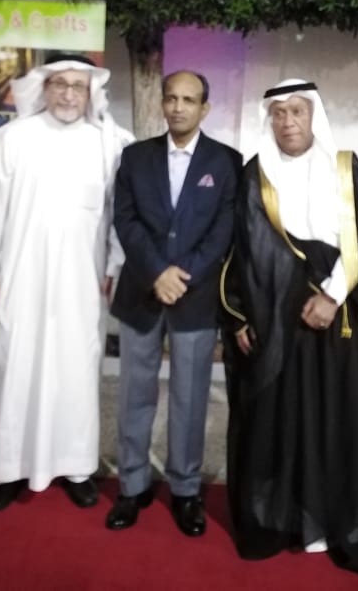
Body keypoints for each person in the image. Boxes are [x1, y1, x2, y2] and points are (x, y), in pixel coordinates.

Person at [222, 79, 358, 575]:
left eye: (298, 112)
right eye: (279, 113)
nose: (288, 122)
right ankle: (287, 518)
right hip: (275, 318)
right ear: (269, 119)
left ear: (314, 117)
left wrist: (331, 296)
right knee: (283, 416)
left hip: (336, 317)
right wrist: (240, 313)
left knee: (335, 416)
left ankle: (335, 519)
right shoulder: (254, 174)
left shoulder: (344, 168)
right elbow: (239, 250)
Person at [0, 53, 132, 512]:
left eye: (77, 86)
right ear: (44, 88)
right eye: (60, 84)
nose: (68, 94)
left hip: (82, 283)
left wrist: (113, 266)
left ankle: (76, 468)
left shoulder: (109, 143)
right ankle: (8, 470)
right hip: (18, 279)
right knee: (14, 368)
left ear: (90, 92)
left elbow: (119, 213)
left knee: (76, 371)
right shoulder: (16, 138)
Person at [106, 70, 241, 537]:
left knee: (191, 397)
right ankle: (132, 484)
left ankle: (185, 490)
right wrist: (156, 272)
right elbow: (125, 220)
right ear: (162, 104)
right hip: (142, 291)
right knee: (135, 394)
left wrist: (183, 276)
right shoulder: (135, 157)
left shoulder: (226, 162)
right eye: (171, 98)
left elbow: (224, 229)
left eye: (189, 99)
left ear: (205, 108)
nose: (178, 107)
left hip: (195, 296)